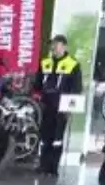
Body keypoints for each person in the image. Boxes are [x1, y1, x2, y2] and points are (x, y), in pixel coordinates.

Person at [32, 34, 82, 175]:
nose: (53, 47)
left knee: (57, 138)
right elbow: (37, 84)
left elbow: (76, 88)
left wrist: (70, 108)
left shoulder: (73, 64)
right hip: (45, 105)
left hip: (61, 107)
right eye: (52, 44)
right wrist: (36, 98)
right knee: (44, 137)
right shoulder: (45, 62)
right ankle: (42, 165)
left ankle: (53, 168)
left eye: (57, 44)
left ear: (64, 46)